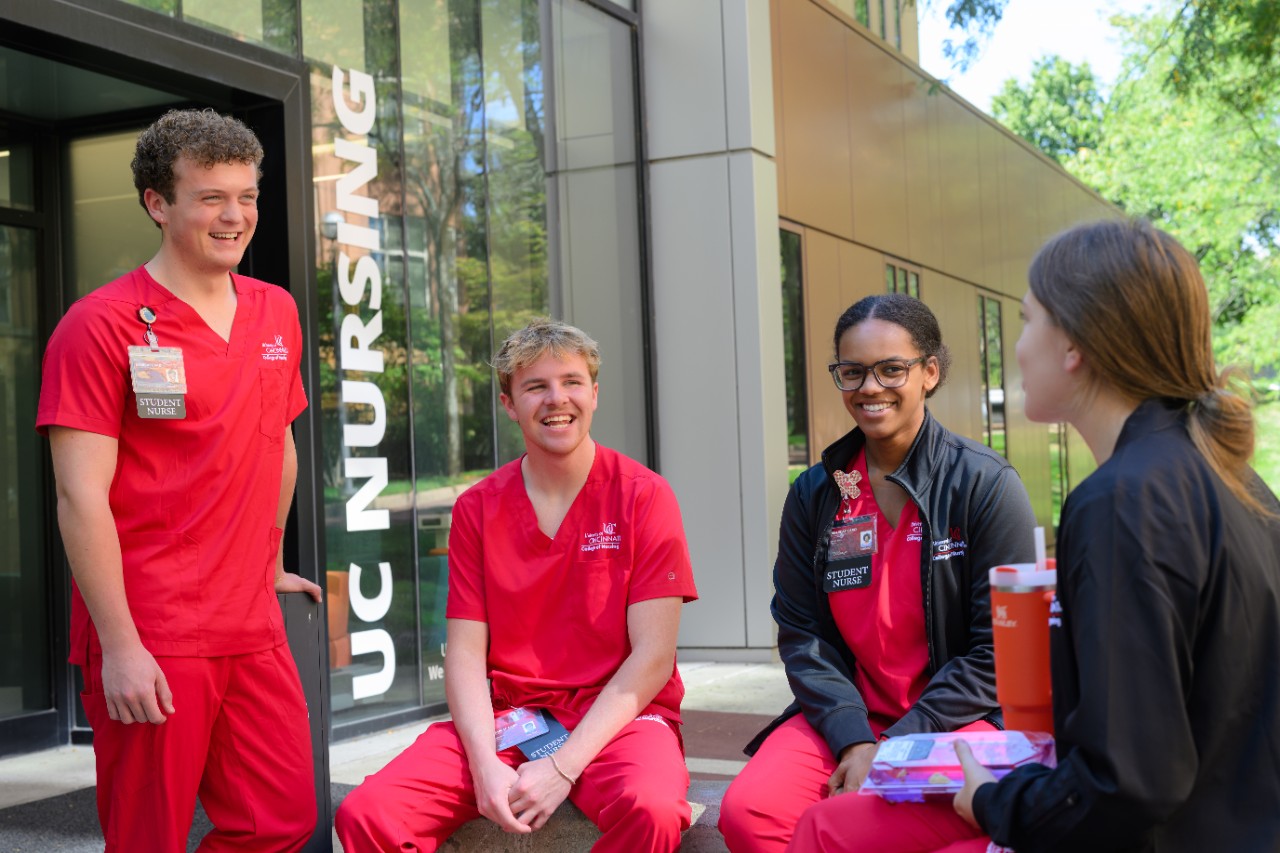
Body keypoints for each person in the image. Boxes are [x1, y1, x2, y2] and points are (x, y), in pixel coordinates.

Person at [36, 108, 321, 852]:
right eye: (211, 197)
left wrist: (271, 562)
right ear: (157, 203)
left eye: (247, 197)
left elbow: (277, 446)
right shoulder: (100, 326)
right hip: (153, 628)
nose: (235, 217)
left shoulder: (276, 312)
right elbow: (79, 496)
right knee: (147, 836)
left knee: (281, 819)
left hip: (250, 625)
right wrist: (121, 642)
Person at [953, 219, 1280, 851]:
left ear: (1072, 343)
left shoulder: (1119, 503)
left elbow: (1129, 779)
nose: (1017, 347)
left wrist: (993, 801)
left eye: (1025, 320)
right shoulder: (1235, 477)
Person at [335, 318, 699, 852]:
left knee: (654, 809)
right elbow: (463, 656)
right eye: (536, 386)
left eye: (572, 382)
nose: (558, 399)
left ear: (594, 393)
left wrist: (563, 766)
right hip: (514, 717)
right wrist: (484, 767)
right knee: (370, 813)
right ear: (509, 403)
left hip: (621, 719)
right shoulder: (478, 508)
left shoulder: (644, 496)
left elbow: (652, 658)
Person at [719, 293, 1037, 853]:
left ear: (930, 372)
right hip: (843, 716)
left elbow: (1001, 654)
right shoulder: (817, 494)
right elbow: (802, 635)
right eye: (853, 371)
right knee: (751, 815)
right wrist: (852, 740)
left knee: (860, 826)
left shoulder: (984, 486)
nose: (870, 387)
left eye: (892, 369)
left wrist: (896, 743)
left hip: (954, 719)